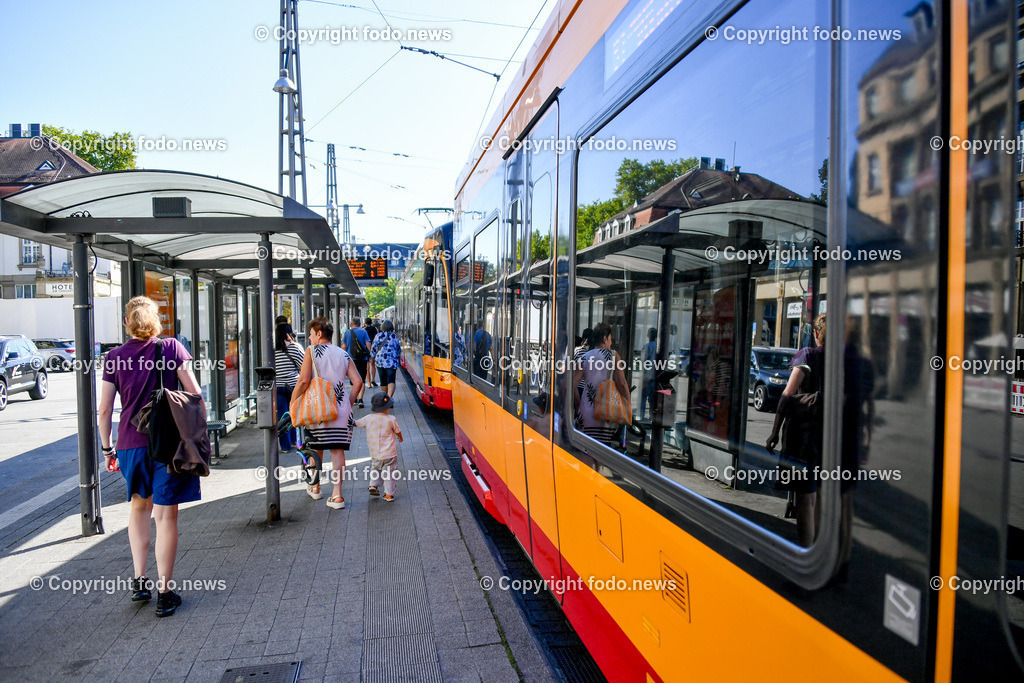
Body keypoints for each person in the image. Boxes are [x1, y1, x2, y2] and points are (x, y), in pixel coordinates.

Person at [98, 296, 201, 617]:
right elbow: (195, 394)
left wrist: (107, 448)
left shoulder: (114, 357)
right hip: (167, 445)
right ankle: (165, 592)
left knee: (139, 509)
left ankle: (139, 580)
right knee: (167, 517)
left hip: (130, 444)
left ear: (127, 322)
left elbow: (103, 411)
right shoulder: (171, 349)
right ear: (156, 321)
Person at [766, 313, 825, 548]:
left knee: (806, 499)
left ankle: (805, 552)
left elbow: (787, 396)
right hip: (829, 437)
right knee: (820, 497)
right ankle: (821, 552)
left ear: (816, 334)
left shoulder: (808, 355)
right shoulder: (842, 359)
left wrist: (774, 432)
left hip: (804, 437)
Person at [292, 317, 363, 508]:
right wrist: (347, 403)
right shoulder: (343, 354)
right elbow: (358, 382)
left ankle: (315, 488)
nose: (309, 337)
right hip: (341, 412)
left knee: (316, 447)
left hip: (318, 410)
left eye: (311, 334)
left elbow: (304, 380)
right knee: (337, 451)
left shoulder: (311, 351)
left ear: (319, 334)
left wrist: (293, 400)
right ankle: (337, 495)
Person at [573, 322, 631, 446]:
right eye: (610, 339)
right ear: (604, 338)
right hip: (605, 412)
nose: (610, 343)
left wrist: (578, 406)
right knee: (601, 452)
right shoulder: (613, 356)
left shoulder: (584, 357)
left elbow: (573, 386)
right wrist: (628, 404)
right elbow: (622, 383)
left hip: (585, 413)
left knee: (586, 450)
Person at [354, 392, 404, 502]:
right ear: (386, 408)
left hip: (375, 454)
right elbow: (398, 431)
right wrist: (400, 438)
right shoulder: (391, 419)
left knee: (375, 469)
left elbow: (356, 423)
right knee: (389, 474)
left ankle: (373, 485)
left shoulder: (368, 418)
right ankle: (389, 495)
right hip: (390, 454)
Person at [274, 322, 305, 455]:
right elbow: (303, 365)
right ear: (289, 333)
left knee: (282, 416)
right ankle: (295, 440)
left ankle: (285, 446)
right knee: (294, 414)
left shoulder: (271, 349)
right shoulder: (295, 347)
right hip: (293, 386)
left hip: (278, 387)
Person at [341, 318, 371, 408]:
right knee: (361, 378)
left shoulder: (347, 333)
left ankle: (355, 399)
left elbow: (343, 346)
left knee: (352, 379)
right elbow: (368, 344)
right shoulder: (364, 332)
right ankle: (361, 399)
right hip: (362, 358)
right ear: (360, 323)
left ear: (351, 323)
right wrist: (370, 355)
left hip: (351, 359)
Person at [371, 320, 403, 397]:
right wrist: (397, 355)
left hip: (380, 362)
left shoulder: (378, 335)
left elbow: (374, 348)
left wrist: (372, 357)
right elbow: (398, 349)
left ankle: (385, 397)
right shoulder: (394, 336)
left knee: (383, 381)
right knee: (391, 380)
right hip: (392, 361)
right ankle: (389, 398)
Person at [640, 328, 658, 420]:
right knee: (652, 400)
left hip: (648, 377)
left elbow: (645, 362)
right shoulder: (659, 346)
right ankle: (652, 416)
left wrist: (645, 378)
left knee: (643, 398)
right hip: (656, 378)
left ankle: (641, 416)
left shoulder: (647, 346)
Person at [364, 317, 380, 387]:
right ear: (371, 322)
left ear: (365, 323)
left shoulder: (364, 330)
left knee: (367, 367)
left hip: (366, 349)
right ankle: (373, 379)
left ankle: (369, 383)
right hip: (373, 349)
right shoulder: (374, 329)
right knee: (373, 364)